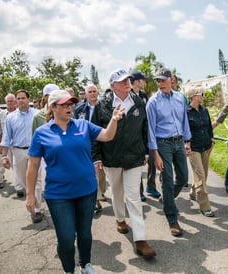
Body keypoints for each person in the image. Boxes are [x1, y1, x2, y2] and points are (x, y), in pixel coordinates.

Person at [26, 89, 124, 274]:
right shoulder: (41, 133)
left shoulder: (83, 125)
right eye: (64, 105)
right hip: (58, 195)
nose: (69, 107)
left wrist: (114, 119)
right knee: (66, 238)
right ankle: (69, 270)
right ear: (53, 107)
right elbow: (32, 166)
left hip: (86, 191)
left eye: (70, 104)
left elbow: (107, 135)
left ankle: (85, 264)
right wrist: (31, 195)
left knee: (85, 234)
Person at [91, 69, 156, 259]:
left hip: (134, 157)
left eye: (128, 79)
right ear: (113, 86)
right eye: (122, 81)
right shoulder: (102, 106)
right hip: (111, 158)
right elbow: (94, 134)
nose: (127, 82)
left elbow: (144, 128)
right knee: (117, 192)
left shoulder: (138, 102)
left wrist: (145, 151)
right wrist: (97, 157)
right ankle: (120, 219)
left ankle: (140, 240)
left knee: (133, 197)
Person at [146, 68, 191, 237]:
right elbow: (150, 129)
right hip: (162, 143)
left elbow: (184, 121)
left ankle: (167, 198)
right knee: (167, 180)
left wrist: (187, 141)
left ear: (171, 79)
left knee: (184, 178)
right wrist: (155, 154)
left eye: (163, 80)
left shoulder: (180, 97)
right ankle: (172, 219)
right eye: (157, 80)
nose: (160, 83)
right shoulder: (153, 102)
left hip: (179, 141)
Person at [0, 89, 43, 223]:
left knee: (36, 180)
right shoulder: (11, 117)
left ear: (29, 99)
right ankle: (33, 200)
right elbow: (6, 137)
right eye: (18, 98)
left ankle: (36, 210)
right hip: (18, 151)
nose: (20, 100)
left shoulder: (37, 115)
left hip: (35, 151)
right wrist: (4, 156)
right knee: (25, 180)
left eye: (23, 98)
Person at [74, 84, 107, 213]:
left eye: (94, 91)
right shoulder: (79, 109)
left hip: (103, 142)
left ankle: (101, 192)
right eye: (90, 92)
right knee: (92, 172)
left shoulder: (104, 107)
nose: (92, 94)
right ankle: (95, 199)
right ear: (86, 94)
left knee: (102, 172)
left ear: (98, 93)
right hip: (86, 144)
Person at [130, 71, 161, 202]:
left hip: (147, 132)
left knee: (153, 160)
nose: (145, 82)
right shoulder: (128, 95)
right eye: (143, 80)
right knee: (138, 163)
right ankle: (139, 191)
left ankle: (151, 186)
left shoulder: (143, 95)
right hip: (135, 134)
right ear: (136, 81)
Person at [186, 87, 216, 216]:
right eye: (202, 94)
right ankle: (205, 206)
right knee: (201, 176)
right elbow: (184, 129)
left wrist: (211, 141)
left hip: (206, 146)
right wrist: (186, 144)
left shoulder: (205, 110)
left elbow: (209, 127)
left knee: (204, 174)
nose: (204, 96)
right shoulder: (186, 112)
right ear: (193, 96)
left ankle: (193, 192)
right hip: (194, 148)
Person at [0, 93, 17, 189]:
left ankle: (18, 185)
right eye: (8, 101)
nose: (10, 103)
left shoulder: (19, 113)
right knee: (1, 162)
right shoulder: (1, 114)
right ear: (5, 102)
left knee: (16, 165)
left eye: (12, 101)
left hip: (17, 144)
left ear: (15, 102)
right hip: (5, 143)